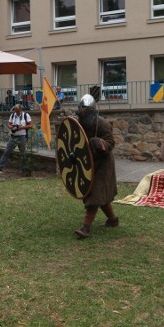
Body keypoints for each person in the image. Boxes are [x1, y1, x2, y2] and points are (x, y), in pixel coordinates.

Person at [73, 94, 119, 239]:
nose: (83, 111)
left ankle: (85, 228)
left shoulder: (103, 124)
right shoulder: (79, 124)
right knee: (99, 196)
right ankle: (113, 220)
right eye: (82, 108)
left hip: (103, 163)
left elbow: (110, 143)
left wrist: (101, 143)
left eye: (86, 108)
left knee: (95, 194)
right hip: (88, 163)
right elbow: (75, 141)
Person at [0, 103, 33, 173]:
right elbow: (9, 124)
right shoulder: (12, 115)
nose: (16, 112)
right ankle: (0, 167)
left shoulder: (26, 115)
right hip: (13, 136)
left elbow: (30, 125)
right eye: (15, 111)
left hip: (22, 137)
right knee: (6, 152)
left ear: (21, 109)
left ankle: (23, 169)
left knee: (22, 153)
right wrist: (11, 127)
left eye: (18, 111)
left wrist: (21, 127)